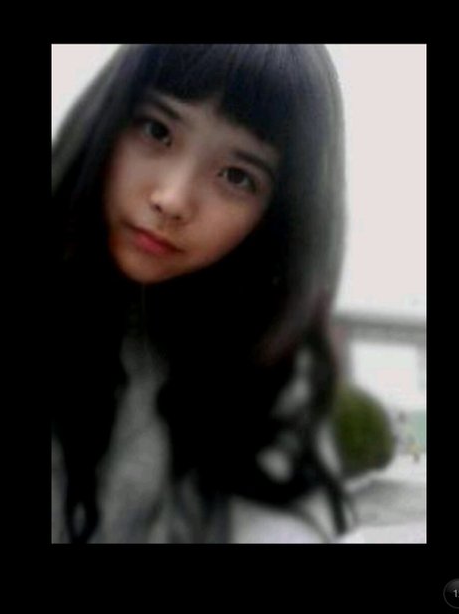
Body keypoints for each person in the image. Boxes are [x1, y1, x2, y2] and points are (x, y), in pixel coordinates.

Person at [52, 43, 354, 544]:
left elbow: (285, 519)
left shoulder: (268, 369)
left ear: (277, 216)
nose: (172, 199)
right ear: (109, 116)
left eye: (237, 176)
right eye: (157, 130)